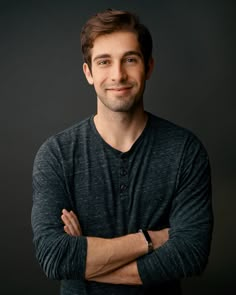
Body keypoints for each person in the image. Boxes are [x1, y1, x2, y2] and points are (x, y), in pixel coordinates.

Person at [31, 8, 213, 295]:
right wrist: (151, 240)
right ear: (88, 73)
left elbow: (191, 253)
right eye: (104, 62)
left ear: (148, 67)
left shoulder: (185, 151)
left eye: (130, 59)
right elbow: (55, 257)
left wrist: (86, 262)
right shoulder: (56, 154)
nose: (118, 74)